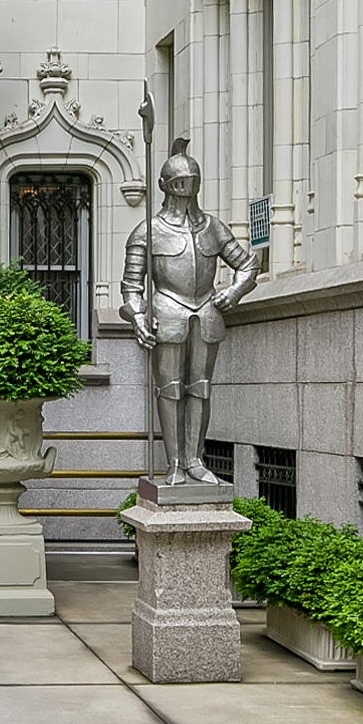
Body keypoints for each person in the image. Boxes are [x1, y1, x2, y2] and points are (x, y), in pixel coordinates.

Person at [118, 140, 255, 486]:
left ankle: (195, 459)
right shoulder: (147, 232)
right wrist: (137, 317)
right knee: (170, 389)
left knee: (200, 388)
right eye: (179, 183)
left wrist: (235, 291)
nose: (185, 190)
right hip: (166, 309)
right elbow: (131, 286)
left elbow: (247, 264)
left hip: (207, 310)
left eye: (191, 182)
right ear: (165, 186)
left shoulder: (213, 228)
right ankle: (175, 462)